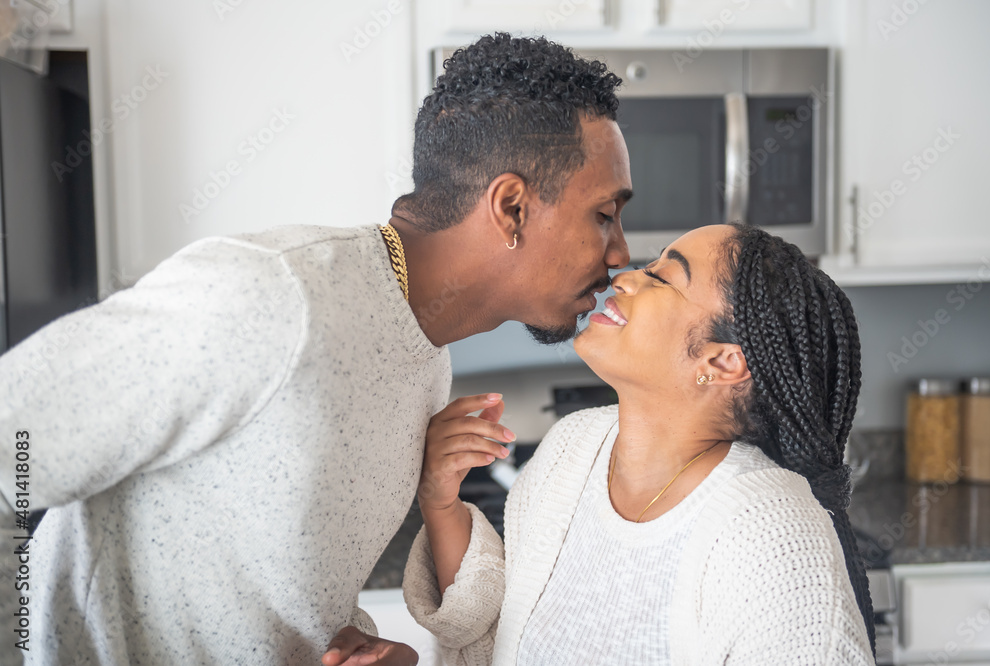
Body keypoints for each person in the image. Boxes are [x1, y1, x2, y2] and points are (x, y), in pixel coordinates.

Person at [0, 33, 631, 665]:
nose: (620, 254)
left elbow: (282, 602)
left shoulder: (426, 365)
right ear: (512, 207)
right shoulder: (270, 297)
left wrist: (358, 643)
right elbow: (10, 445)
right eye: (605, 214)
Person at [402, 223, 877, 665]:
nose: (627, 278)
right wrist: (441, 502)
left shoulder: (774, 534)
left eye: (664, 278)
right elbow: (496, 633)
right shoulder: (573, 449)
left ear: (723, 361)